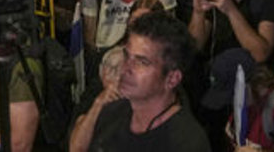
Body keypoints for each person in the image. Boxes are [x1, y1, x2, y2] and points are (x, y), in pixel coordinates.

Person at [69, 11, 208, 152]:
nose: (126, 68)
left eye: (142, 62)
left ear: (172, 79)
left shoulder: (187, 142)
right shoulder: (113, 110)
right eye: (126, 56)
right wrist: (97, 105)